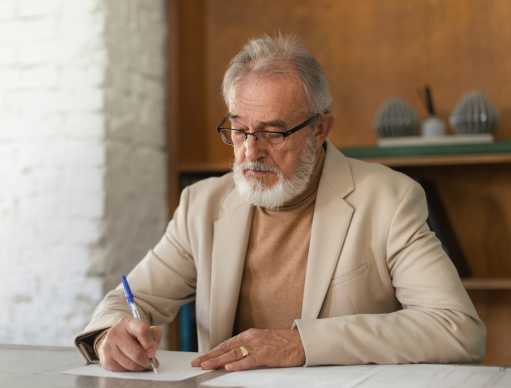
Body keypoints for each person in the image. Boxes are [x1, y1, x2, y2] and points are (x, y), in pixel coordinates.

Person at [74, 34, 486, 372]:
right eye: (238, 130)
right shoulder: (201, 204)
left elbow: (458, 329)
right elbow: (127, 299)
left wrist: (300, 344)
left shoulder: (389, 199)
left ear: (320, 128)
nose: (251, 152)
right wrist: (111, 335)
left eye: (273, 133)